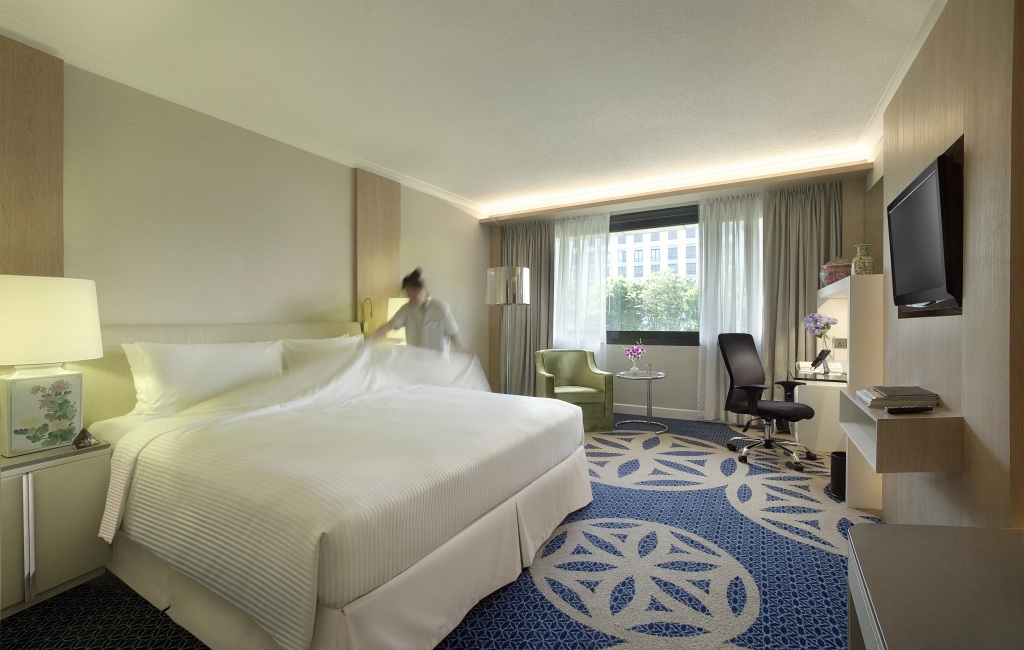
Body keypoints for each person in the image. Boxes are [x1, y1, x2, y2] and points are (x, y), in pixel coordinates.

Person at [370, 268, 465, 356]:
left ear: (424, 288)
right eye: (408, 294)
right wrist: (371, 338)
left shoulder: (440, 308)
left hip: (438, 361)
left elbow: (453, 334)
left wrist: (463, 350)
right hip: (416, 360)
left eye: (415, 292)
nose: (412, 297)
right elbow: (390, 325)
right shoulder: (406, 309)